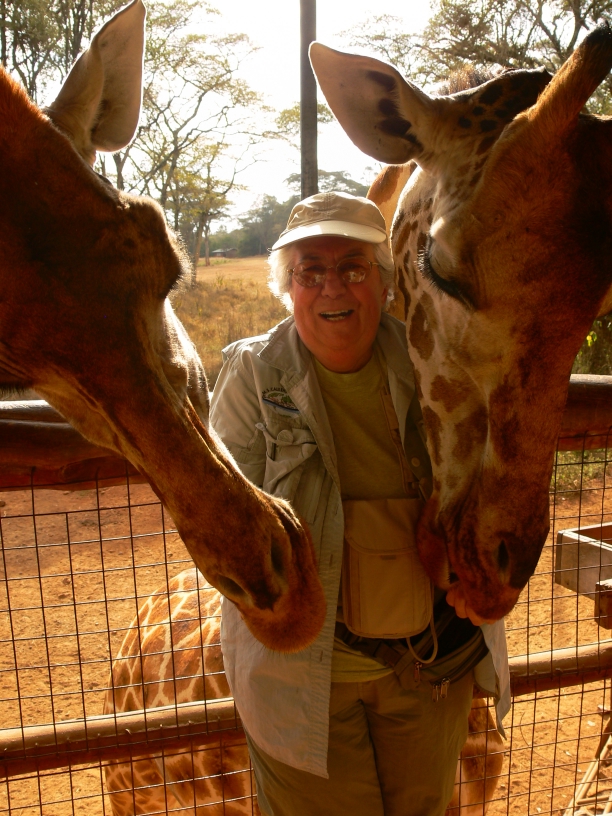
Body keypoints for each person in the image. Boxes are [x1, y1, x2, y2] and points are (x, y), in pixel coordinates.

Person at [209, 191, 509, 816]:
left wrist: (474, 569)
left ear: (384, 281)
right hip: (301, 679)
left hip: (426, 665)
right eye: (310, 271)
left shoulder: (434, 363)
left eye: (352, 267)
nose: (332, 287)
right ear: (287, 287)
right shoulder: (251, 374)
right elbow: (222, 524)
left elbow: (485, 488)